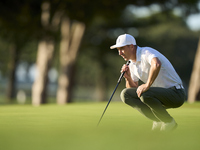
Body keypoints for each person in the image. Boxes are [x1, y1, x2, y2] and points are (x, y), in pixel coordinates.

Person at [110, 34, 186, 131]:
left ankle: (168, 122)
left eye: (122, 49)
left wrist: (147, 85)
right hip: (158, 96)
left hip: (176, 94)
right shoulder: (132, 64)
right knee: (125, 94)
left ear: (131, 46)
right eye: (118, 50)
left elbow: (156, 64)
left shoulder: (145, 52)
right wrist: (128, 77)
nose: (120, 53)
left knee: (145, 93)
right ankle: (158, 120)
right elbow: (133, 89)